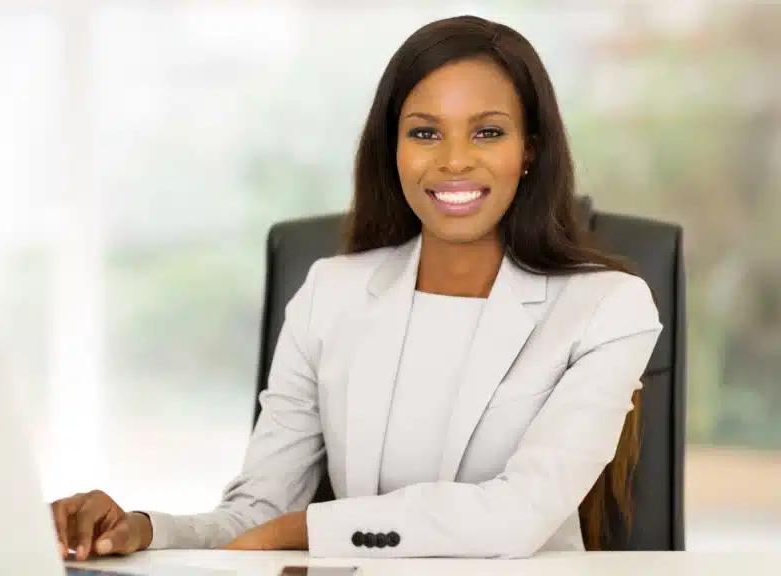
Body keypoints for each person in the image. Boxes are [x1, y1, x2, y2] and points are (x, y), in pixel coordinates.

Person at [50, 15, 662, 559]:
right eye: (425, 132)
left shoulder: (606, 309)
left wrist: (304, 532)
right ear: (392, 149)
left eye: (487, 132)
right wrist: (142, 530)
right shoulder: (329, 293)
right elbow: (258, 515)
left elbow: (515, 518)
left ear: (529, 150)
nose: (453, 161)